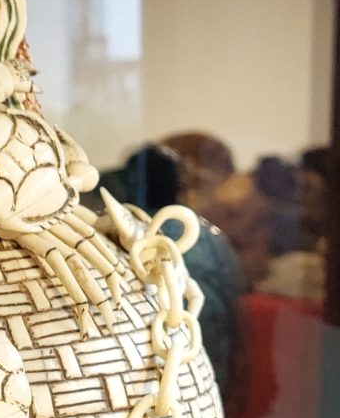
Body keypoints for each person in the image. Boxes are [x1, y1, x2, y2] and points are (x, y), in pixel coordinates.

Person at [96, 143, 245, 400]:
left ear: (132, 182)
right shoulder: (207, 236)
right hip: (208, 363)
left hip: (143, 370)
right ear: (179, 185)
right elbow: (237, 294)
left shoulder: (117, 237)